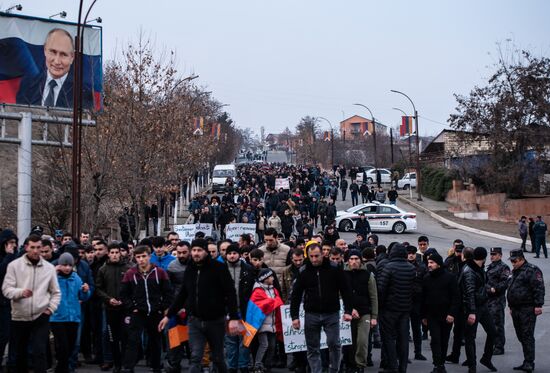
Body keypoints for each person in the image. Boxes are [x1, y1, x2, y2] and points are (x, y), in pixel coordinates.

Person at [159, 238, 240, 373]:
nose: (196, 253)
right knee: (196, 356)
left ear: (206, 252)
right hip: (195, 321)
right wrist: (169, 315)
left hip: (215, 321)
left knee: (218, 357)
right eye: (194, 250)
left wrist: (233, 318)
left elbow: (230, 293)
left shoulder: (218, 267)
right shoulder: (190, 269)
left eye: (199, 250)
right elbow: (183, 294)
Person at [2, 234, 61, 373]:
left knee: (39, 351)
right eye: (32, 247)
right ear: (27, 247)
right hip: (19, 316)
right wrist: (20, 292)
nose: (35, 251)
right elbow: (6, 289)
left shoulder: (48, 268)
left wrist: (50, 309)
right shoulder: (14, 266)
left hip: (40, 316)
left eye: (38, 247)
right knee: (20, 353)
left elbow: (56, 292)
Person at [290, 243, 352, 373]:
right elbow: (296, 295)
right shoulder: (304, 271)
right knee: (313, 348)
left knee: (334, 344)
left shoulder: (334, 269)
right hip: (311, 314)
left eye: (317, 256)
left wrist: (348, 311)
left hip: (331, 313)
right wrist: (294, 316)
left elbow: (346, 290)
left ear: (323, 254)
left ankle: (334, 369)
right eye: (311, 256)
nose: (314, 259)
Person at [120, 245, 172, 373]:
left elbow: (168, 292)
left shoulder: (159, 272)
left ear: (149, 256)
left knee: (155, 340)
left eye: (144, 256)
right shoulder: (130, 273)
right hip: (138, 312)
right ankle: (128, 367)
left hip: (155, 312)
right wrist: (132, 307)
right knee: (133, 340)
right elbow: (123, 294)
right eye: (138, 257)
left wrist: (163, 307)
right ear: (135, 258)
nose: (141, 259)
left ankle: (155, 366)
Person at [377, 244, 415, 373]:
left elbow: (381, 289)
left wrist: (379, 308)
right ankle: (403, 367)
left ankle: (392, 366)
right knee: (403, 339)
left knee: (388, 338)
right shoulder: (411, 268)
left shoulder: (388, 267)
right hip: (405, 309)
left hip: (389, 309)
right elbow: (414, 290)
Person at [50, 253, 91, 373]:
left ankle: (65, 368)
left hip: (73, 318)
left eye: (70, 265)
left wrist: (85, 291)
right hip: (57, 318)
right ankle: (61, 369)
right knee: (63, 347)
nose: (67, 268)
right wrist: (53, 272)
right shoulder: (54, 277)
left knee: (71, 347)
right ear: (59, 265)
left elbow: (83, 297)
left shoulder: (76, 278)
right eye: (64, 265)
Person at [95, 243, 132, 373]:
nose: (115, 255)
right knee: (113, 339)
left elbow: (133, 288)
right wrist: (108, 299)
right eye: (112, 253)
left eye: (117, 252)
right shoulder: (103, 270)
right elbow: (98, 288)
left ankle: (127, 365)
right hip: (110, 309)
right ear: (108, 254)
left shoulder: (129, 268)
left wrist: (125, 300)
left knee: (126, 338)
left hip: (125, 310)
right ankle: (117, 364)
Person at [459, 247, 497, 373]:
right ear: (484, 257)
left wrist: (488, 289)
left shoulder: (479, 268)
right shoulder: (469, 270)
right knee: (470, 338)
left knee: (492, 332)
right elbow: (469, 293)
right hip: (471, 308)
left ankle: (486, 358)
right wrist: (472, 312)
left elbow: (480, 286)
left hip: (482, 306)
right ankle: (472, 366)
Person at [507, 249, 545, 373]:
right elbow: (511, 288)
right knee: (520, 335)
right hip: (516, 308)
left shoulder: (532, 270)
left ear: (522, 258)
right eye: (511, 261)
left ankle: (529, 362)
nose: (513, 263)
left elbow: (538, 288)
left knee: (527, 335)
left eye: (515, 261)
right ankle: (526, 360)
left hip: (527, 308)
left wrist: (538, 305)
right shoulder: (515, 271)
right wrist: (511, 306)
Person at [421, 252, 459, 373]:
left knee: (444, 340)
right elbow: (423, 298)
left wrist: (452, 314)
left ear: (438, 264)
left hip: (446, 315)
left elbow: (456, 297)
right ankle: (437, 364)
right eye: (428, 263)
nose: (429, 265)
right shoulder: (426, 278)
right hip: (432, 315)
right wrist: (424, 316)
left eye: (432, 263)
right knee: (435, 340)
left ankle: (441, 363)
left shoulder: (450, 277)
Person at [343, 249, 378, 373]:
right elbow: (339, 295)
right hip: (347, 312)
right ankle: (350, 364)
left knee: (362, 341)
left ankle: (360, 365)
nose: (354, 262)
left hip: (365, 313)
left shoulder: (368, 275)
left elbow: (373, 296)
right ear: (347, 261)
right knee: (349, 341)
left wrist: (374, 316)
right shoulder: (342, 274)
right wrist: (349, 309)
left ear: (360, 260)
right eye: (351, 259)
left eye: (356, 259)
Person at [225, 244, 255, 373]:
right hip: (227, 311)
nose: (232, 256)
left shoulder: (248, 269)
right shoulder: (220, 269)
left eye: (234, 253)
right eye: (229, 253)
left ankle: (243, 365)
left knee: (244, 341)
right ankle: (231, 366)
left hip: (244, 310)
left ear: (239, 254)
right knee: (230, 342)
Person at [251, 268, 283, 373]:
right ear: (265, 279)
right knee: (264, 345)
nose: (273, 278)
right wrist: (273, 302)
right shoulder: (257, 291)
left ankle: (267, 365)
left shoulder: (274, 290)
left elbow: (278, 302)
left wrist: (275, 302)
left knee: (272, 346)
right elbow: (257, 305)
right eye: (271, 277)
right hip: (262, 324)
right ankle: (257, 365)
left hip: (272, 323)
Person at [485, 247, 510, 355]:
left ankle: (499, 346)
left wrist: (494, 289)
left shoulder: (504, 267)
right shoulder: (489, 267)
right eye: (491, 254)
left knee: (497, 324)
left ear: (500, 255)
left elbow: (505, 282)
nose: (492, 256)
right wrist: (488, 288)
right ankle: (492, 344)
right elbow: (483, 281)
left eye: (494, 254)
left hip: (497, 300)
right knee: (490, 324)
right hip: (487, 299)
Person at [0, 229, 17, 371]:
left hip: (10, 303)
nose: (13, 246)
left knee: (10, 336)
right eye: (11, 243)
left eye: (14, 243)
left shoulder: (15, 257)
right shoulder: (5, 258)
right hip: (2, 303)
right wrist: (8, 257)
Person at [406, 246, 427, 361]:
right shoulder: (403, 265)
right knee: (404, 330)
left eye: (413, 253)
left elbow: (425, 283)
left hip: (417, 302)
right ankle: (404, 354)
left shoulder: (421, 267)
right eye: (409, 253)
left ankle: (418, 352)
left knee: (416, 329)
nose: (411, 255)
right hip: (405, 301)